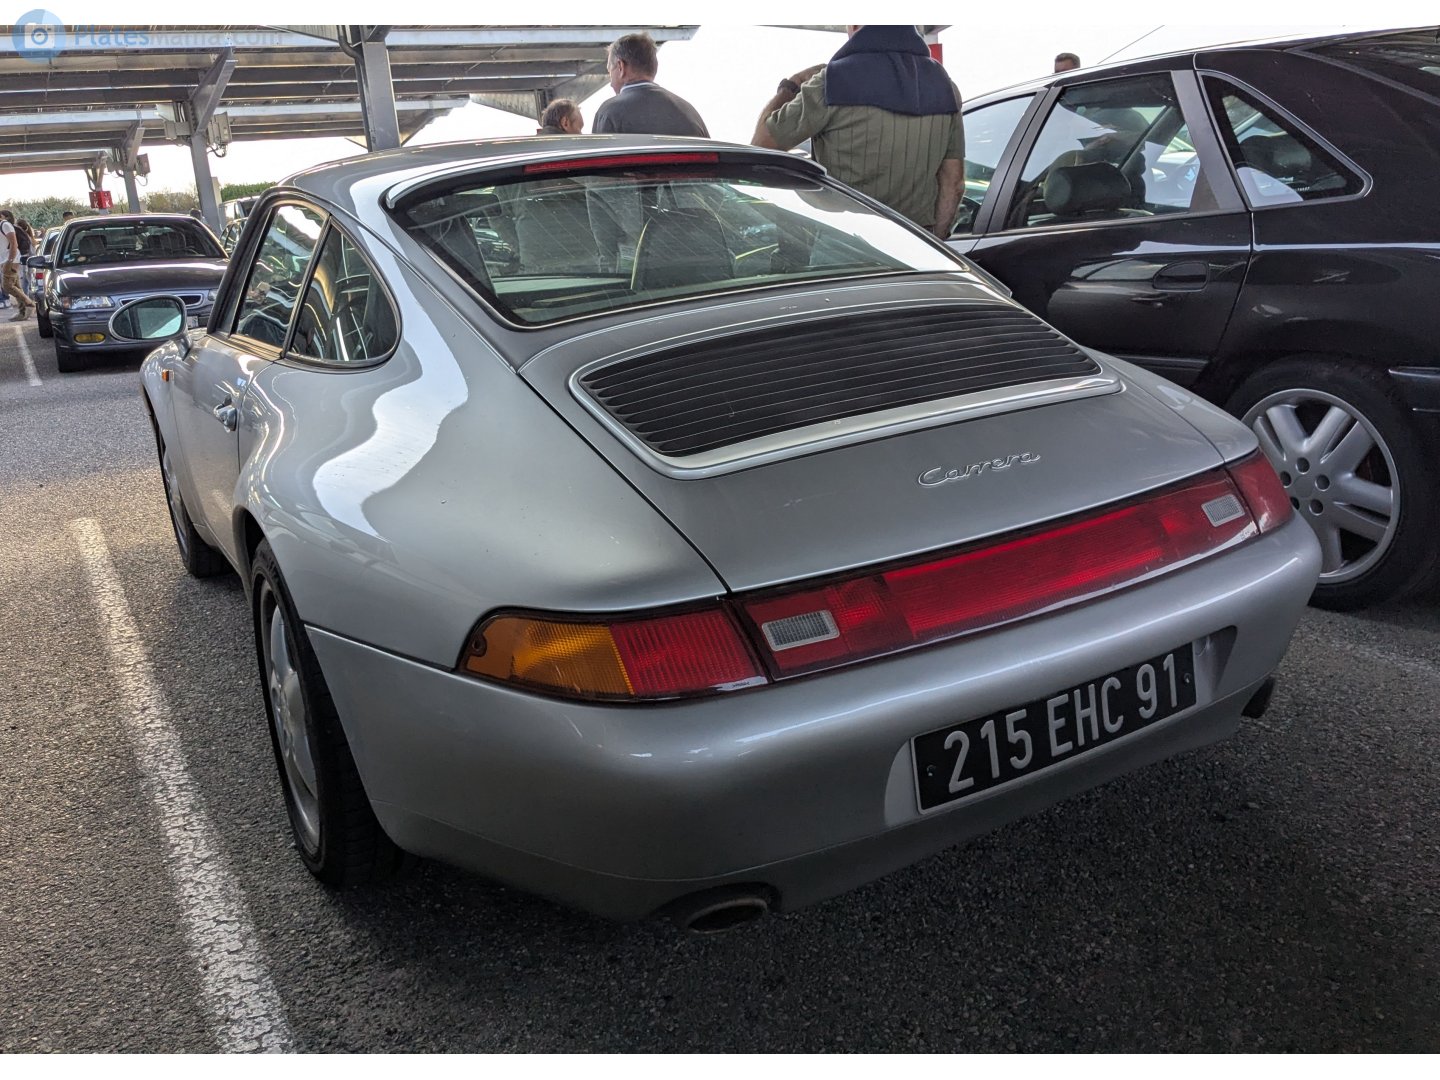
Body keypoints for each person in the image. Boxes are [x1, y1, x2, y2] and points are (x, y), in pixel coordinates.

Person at [752, 25, 965, 238]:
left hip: (846, 246)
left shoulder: (831, 81)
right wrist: (936, 242)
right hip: (917, 246)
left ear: (854, 25)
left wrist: (790, 86)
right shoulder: (945, 87)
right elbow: (954, 183)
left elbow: (760, 146)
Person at [591, 31, 709, 137]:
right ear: (655, 67)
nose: (611, 84)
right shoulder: (689, 112)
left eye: (610, 71)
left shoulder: (608, 113)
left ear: (621, 67)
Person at [0, 209, 30, 320]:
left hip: (10, 260)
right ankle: (22, 312)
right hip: (5, 260)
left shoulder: (5, 225)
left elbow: (14, 244)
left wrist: (10, 260)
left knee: (7, 286)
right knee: (16, 286)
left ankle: (29, 303)